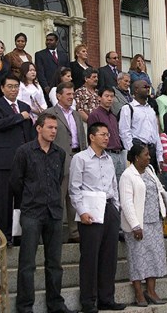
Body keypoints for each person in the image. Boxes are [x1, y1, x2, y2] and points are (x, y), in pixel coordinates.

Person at [9, 113, 75, 313]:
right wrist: (29, 200)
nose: (54, 131)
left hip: (54, 212)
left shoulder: (59, 153)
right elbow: (16, 182)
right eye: (50, 127)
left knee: (54, 263)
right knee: (27, 263)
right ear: (39, 128)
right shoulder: (24, 152)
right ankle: (25, 306)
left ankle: (55, 303)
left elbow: (57, 180)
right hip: (32, 212)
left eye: (56, 128)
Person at [69, 122, 126, 312]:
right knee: (90, 257)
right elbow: (74, 188)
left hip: (109, 207)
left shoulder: (109, 159)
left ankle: (106, 298)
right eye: (102, 134)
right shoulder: (80, 158)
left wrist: (116, 207)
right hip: (90, 209)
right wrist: (82, 211)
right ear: (92, 137)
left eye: (108, 134)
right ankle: (88, 301)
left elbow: (113, 185)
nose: (106, 137)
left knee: (109, 257)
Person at [120, 144, 167, 307]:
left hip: (154, 221)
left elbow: (160, 190)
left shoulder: (149, 170)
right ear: (136, 157)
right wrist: (135, 225)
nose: (149, 158)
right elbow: (126, 202)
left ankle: (151, 291)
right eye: (145, 155)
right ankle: (138, 293)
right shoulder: (127, 175)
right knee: (137, 258)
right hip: (138, 224)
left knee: (154, 257)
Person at [0, 74, 34, 245]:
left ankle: (19, 235)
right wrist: (19, 117)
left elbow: (28, 132)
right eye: (10, 86)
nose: (13, 90)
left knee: (22, 201)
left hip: (23, 161)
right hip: (4, 161)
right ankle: (3, 236)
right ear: (2, 88)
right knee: (4, 202)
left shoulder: (25, 106)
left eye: (16, 86)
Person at [43, 81, 87, 243]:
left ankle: (74, 232)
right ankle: (54, 232)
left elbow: (81, 136)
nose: (71, 97)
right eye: (68, 94)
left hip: (77, 157)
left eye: (72, 94)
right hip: (58, 159)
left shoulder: (76, 114)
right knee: (58, 196)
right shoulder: (50, 113)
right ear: (58, 96)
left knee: (75, 195)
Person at [119, 80, 164, 173]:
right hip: (138, 151)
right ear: (136, 90)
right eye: (145, 87)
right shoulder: (128, 109)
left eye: (148, 87)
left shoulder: (150, 110)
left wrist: (159, 156)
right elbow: (124, 132)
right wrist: (132, 153)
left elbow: (156, 133)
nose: (148, 89)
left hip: (151, 151)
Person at [87, 88, 126, 181]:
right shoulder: (94, 115)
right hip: (106, 153)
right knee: (107, 182)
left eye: (112, 96)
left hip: (119, 154)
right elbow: (92, 138)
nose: (109, 99)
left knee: (120, 184)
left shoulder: (113, 116)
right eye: (106, 96)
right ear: (99, 98)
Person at [35, 32, 70, 97]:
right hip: (48, 89)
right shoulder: (40, 55)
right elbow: (40, 72)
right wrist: (45, 86)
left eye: (51, 40)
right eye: (47, 40)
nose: (48, 42)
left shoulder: (64, 55)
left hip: (62, 87)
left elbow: (67, 71)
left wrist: (67, 85)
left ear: (56, 42)